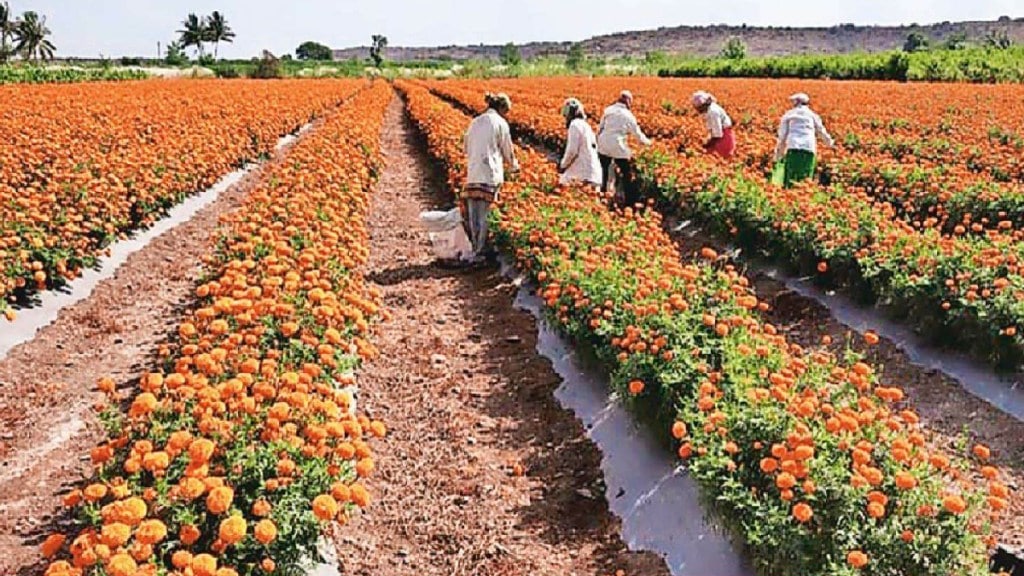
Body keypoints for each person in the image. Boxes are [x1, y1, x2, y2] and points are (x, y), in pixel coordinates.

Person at [463, 92, 519, 263]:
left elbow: (465, 147)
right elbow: (507, 150)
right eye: (506, 111)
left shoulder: (475, 121)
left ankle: (476, 249)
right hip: (490, 173)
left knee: (474, 213)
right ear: (502, 108)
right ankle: (482, 251)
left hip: (473, 172)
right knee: (486, 213)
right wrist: (515, 166)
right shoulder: (500, 123)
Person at [597, 90, 651, 206]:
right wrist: (649, 143)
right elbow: (637, 134)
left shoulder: (608, 110)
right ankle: (629, 201)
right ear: (628, 102)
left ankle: (601, 196)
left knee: (603, 171)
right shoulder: (628, 115)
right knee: (627, 172)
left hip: (603, 143)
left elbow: (600, 128)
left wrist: (597, 141)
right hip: (618, 145)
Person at [774, 92, 834, 187]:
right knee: (806, 176)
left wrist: (778, 154)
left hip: (793, 147)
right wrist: (830, 144)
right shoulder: (813, 115)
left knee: (791, 175)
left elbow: (782, 136)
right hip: (809, 148)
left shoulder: (789, 115)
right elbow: (821, 131)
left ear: (796, 102)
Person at [558, 98, 601, 189]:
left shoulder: (574, 125)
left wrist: (563, 165)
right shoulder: (585, 126)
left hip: (582, 175)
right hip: (594, 174)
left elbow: (572, 151)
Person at [691, 90, 735, 159]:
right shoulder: (708, 110)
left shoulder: (713, 112)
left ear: (703, 105)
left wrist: (708, 144)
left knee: (720, 158)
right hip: (719, 136)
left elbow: (717, 134)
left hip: (724, 137)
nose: (698, 111)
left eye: (698, 108)